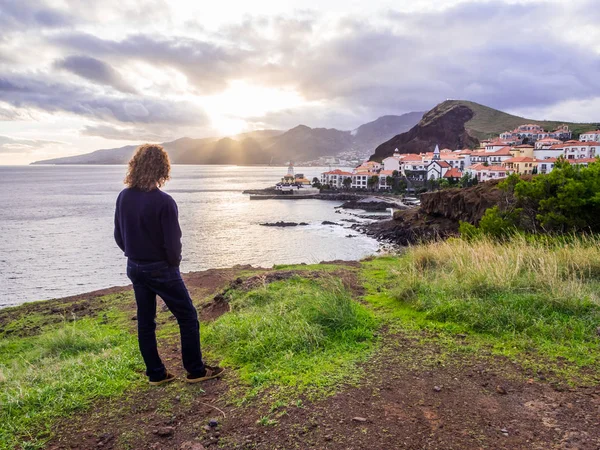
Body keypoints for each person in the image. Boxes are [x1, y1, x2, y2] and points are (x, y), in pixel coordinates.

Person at [114, 144, 223, 385]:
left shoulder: (124, 196)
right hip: (161, 268)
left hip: (134, 267)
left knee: (145, 321)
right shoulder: (164, 202)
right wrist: (172, 264)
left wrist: (133, 254)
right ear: (163, 169)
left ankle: (156, 374)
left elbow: (119, 236)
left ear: (136, 165)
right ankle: (195, 371)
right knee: (187, 316)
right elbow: (173, 244)